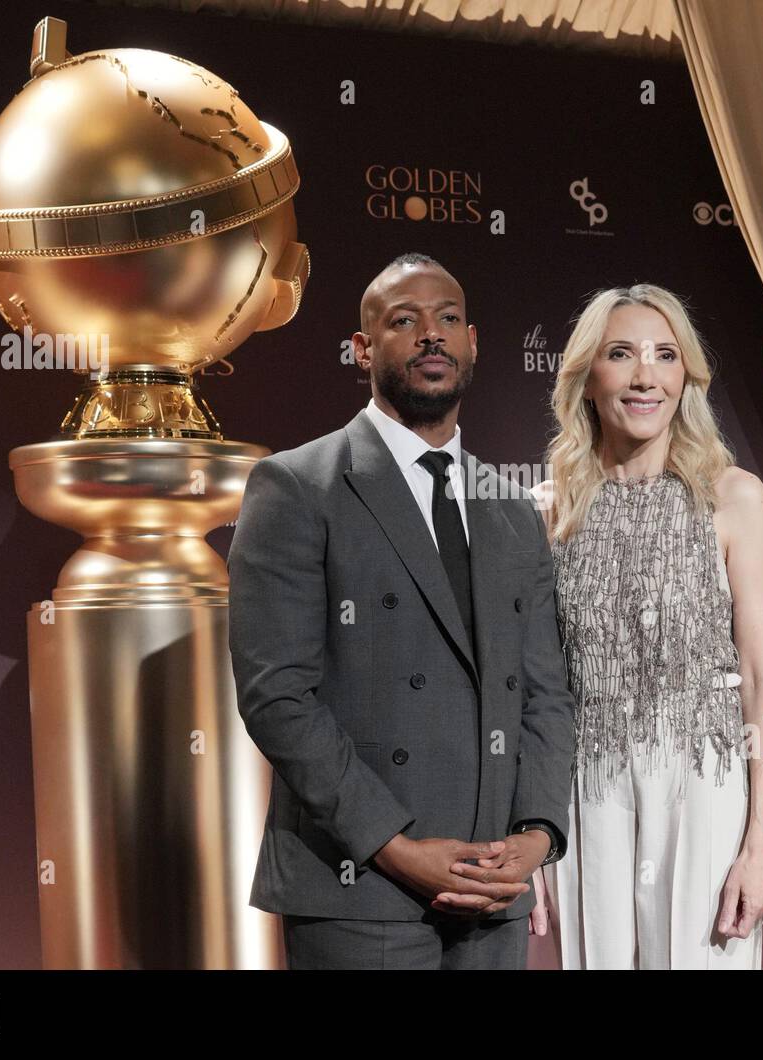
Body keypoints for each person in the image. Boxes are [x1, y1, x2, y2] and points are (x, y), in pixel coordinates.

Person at [227, 252, 576, 970]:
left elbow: (546, 695)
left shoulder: (511, 509)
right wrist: (397, 847)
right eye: (404, 321)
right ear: (362, 349)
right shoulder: (296, 486)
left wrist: (535, 838)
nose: (431, 336)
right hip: (358, 888)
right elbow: (277, 697)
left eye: (448, 319)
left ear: (473, 342)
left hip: (491, 891)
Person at [533, 283, 763, 969]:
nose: (646, 375)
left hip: (707, 781)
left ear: (686, 377)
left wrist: (760, 843)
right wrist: (530, 831)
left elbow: (761, 679)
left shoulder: (733, 497)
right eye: (622, 354)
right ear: (587, 378)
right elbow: (532, 691)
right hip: (589, 789)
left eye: (665, 355)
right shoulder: (547, 511)